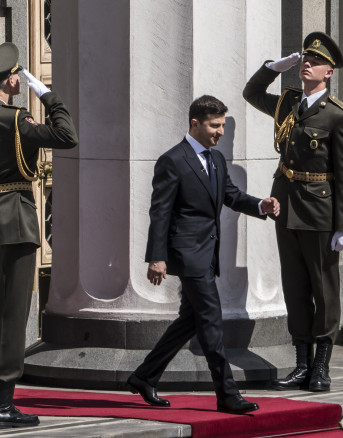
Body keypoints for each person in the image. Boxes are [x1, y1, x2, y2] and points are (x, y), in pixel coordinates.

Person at [0, 42, 78, 428]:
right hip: (16, 223)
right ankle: (4, 404)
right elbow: (67, 135)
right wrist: (48, 94)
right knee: (13, 315)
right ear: (11, 80)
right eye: (19, 77)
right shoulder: (19, 120)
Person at [127, 95, 280, 414]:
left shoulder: (216, 160)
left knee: (190, 320)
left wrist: (260, 205)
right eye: (215, 125)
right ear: (194, 124)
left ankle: (144, 376)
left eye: (223, 125)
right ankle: (226, 393)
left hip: (207, 252)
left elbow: (231, 196)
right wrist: (157, 256)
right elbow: (160, 213)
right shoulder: (172, 160)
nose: (220, 132)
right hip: (187, 253)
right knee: (211, 320)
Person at [242, 32, 343, 392]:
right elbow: (252, 94)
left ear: (329, 72)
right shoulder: (290, 104)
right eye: (305, 58)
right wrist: (272, 69)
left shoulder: (338, 115)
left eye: (315, 60)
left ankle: (321, 366)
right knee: (294, 287)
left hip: (320, 209)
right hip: (286, 205)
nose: (307, 63)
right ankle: (301, 364)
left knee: (323, 290)